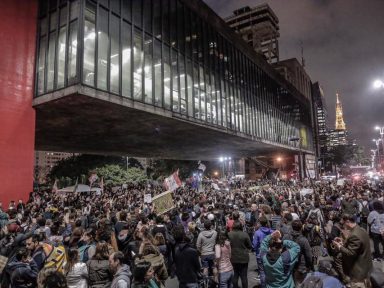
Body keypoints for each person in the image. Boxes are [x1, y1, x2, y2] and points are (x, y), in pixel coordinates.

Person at [333, 213, 373, 287]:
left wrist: (339, 247)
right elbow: (357, 248)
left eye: (343, 223)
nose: (342, 226)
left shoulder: (355, 234)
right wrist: (343, 243)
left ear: (347, 221)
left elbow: (351, 253)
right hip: (366, 269)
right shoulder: (361, 229)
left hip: (359, 273)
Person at [228, 221, 252, 288]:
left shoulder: (229, 234)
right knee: (244, 276)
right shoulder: (244, 234)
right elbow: (250, 246)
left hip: (233, 256)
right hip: (243, 257)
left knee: (235, 274)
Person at [288, 220, 313, 285]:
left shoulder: (287, 237)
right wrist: (309, 265)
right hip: (301, 267)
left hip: (291, 265)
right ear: (301, 227)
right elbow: (309, 256)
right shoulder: (304, 240)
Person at [252, 216, 273, 288]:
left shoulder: (257, 233)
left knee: (262, 272)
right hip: (270, 253)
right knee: (270, 271)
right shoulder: (271, 231)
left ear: (260, 223)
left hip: (260, 254)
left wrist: (254, 249)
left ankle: (264, 286)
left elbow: (254, 245)